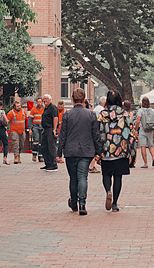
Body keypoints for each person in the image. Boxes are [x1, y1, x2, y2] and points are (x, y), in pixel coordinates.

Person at [57, 88, 101, 216]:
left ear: (72, 99)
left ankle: (74, 202)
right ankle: (82, 203)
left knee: (73, 178)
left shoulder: (67, 115)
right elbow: (96, 135)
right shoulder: (91, 115)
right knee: (83, 177)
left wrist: (59, 153)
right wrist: (98, 152)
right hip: (86, 150)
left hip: (70, 150)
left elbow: (62, 135)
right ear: (84, 99)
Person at [97, 90, 134, 212]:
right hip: (121, 150)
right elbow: (131, 132)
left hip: (106, 150)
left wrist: (98, 150)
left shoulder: (102, 114)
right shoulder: (125, 114)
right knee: (118, 177)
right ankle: (115, 204)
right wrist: (131, 150)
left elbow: (98, 132)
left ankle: (108, 190)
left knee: (106, 174)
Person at [134, 96, 154, 168]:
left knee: (143, 146)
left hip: (143, 130)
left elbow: (138, 121)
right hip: (150, 129)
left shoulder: (140, 110)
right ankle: (153, 157)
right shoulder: (152, 110)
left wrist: (136, 130)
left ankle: (146, 163)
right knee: (150, 145)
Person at [40, 94, 59, 171]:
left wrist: (54, 130)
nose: (44, 100)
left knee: (51, 147)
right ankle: (48, 164)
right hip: (45, 129)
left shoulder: (52, 107)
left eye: (46, 99)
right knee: (44, 147)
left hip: (50, 129)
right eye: (43, 99)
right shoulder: (46, 108)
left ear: (50, 99)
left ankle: (53, 164)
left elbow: (55, 118)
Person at [6, 100, 27, 164]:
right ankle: (16, 157)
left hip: (22, 131)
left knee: (21, 144)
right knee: (16, 144)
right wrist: (5, 129)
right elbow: (7, 122)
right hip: (14, 131)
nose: (19, 107)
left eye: (20, 106)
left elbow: (25, 120)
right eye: (17, 106)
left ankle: (18, 154)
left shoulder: (23, 112)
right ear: (14, 107)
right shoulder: (11, 113)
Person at [29, 98, 44, 162]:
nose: (39, 103)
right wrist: (30, 128)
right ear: (36, 103)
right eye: (38, 102)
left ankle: (40, 156)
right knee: (36, 140)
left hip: (42, 126)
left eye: (40, 102)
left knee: (41, 142)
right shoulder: (33, 109)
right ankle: (34, 154)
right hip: (36, 126)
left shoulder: (44, 109)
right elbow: (30, 119)